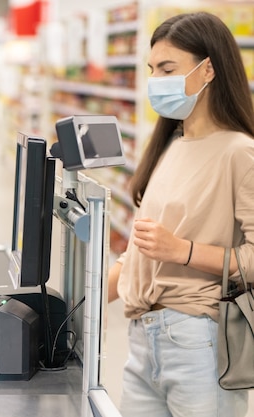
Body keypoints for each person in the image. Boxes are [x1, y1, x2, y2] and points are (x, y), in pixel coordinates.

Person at [107, 12, 253, 417]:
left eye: (168, 69)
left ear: (208, 69)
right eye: (152, 69)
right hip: (142, 340)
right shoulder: (169, 144)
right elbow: (143, 249)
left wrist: (183, 251)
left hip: (198, 340)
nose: (157, 80)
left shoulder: (239, 152)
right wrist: (80, 298)